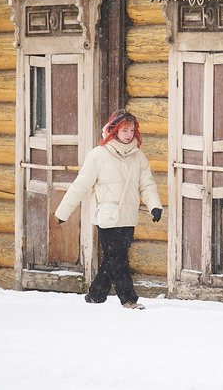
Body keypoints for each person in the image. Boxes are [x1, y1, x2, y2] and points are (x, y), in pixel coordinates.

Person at [53, 109, 163, 309]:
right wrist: (63, 212)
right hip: (107, 217)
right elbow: (80, 186)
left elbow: (147, 185)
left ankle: (96, 294)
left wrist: (154, 206)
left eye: (131, 130)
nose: (129, 134)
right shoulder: (98, 155)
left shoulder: (138, 157)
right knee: (117, 258)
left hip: (128, 218)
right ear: (113, 131)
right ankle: (129, 299)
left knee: (113, 259)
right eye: (124, 131)